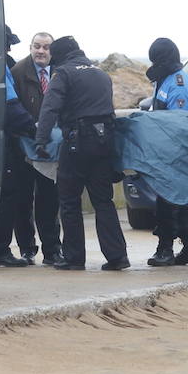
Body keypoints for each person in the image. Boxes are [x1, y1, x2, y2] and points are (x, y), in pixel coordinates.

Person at [35, 36, 129, 271]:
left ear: (59, 55)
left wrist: (41, 140)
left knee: (69, 201)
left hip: (77, 144)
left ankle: (74, 257)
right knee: (103, 201)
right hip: (104, 142)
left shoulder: (64, 73)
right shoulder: (100, 74)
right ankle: (117, 256)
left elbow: (50, 107)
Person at [144, 37, 188, 267]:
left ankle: (166, 250)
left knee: (169, 204)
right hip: (167, 154)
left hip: (176, 155)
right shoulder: (165, 81)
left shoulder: (178, 85)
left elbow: (179, 125)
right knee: (178, 202)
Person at [11, 32, 64, 265]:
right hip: (22, 146)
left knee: (50, 200)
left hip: (50, 148)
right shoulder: (18, 72)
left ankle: (52, 250)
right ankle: (27, 249)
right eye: (36, 46)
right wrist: (33, 130)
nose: (41, 51)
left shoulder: (60, 72)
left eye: (45, 47)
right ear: (30, 47)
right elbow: (12, 107)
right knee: (22, 199)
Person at [0, 25, 36, 267]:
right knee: (7, 194)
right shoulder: (0, 65)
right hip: (1, 139)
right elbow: (11, 106)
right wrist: (34, 128)